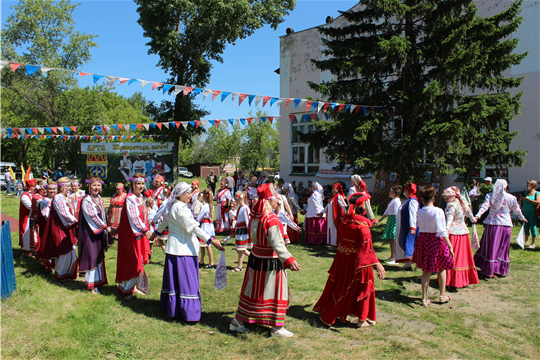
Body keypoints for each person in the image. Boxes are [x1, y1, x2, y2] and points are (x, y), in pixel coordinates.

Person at [229, 183, 301, 338]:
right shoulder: (271, 220)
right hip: (271, 262)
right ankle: (276, 328)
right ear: (269, 200)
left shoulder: (255, 216)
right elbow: (277, 244)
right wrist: (289, 260)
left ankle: (238, 321)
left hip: (256, 259)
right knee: (274, 292)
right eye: (276, 199)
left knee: (251, 290)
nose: (279, 202)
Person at [148, 182, 223, 322]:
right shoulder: (181, 209)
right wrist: (211, 240)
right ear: (180, 194)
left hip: (174, 249)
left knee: (175, 281)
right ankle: (189, 313)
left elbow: (164, 222)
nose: (190, 195)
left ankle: (173, 308)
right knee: (186, 282)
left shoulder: (173, 206)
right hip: (184, 250)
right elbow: (193, 227)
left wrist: (154, 234)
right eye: (187, 193)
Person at [313, 193, 386, 327]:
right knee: (364, 285)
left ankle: (333, 310)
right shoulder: (362, 226)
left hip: (342, 258)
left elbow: (342, 239)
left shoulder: (343, 221)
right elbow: (366, 249)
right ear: (363, 207)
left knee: (340, 284)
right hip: (357, 261)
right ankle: (361, 320)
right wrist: (377, 264)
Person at [474, 179, 527, 278]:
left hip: (493, 225)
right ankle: (495, 269)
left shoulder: (491, 196)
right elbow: (516, 209)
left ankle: (492, 268)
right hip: (504, 225)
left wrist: (478, 216)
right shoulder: (510, 197)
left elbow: (484, 207)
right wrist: (522, 217)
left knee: (492, 247)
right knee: (501, 247)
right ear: (505, 187)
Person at [412, 185, 454, 306]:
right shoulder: (438, 211)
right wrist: (450, 245)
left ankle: (425, 298)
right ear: (433, 198)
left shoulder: (419, 211)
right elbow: (441, 230)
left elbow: (418, 224)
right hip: (435, 240)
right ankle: (442, 295)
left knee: (426, 269)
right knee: (441, 267)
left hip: (423, 239)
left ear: (422, 199)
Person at [116, 173, 152, 298]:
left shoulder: (140, 198)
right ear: (133, 184)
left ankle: (128, 287)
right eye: (138, 184)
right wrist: (145, 229)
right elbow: (134, 217)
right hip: (131, 235)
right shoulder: (130, 198)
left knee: (138, 260)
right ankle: (126, 289)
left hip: (138, 234)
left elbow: (144, 215)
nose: (141, 186)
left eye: (142, 183)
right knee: (134, 261)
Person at [38, 177, 79, 281]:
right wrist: (76, 222)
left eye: (70, 186)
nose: (70, 188)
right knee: (64, 250)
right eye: (68, 186)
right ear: (61, 187)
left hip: (67, 227)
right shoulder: (58, 198)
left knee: (71, 251)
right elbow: (63, 213)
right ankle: (61, 274)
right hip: (60, 228)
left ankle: (68, 274)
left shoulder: (66, 197)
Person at [78, 177, 114, 294]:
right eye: (94, 186)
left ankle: (98, 281)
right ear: (88, 187)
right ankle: (91, 284)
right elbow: (92, 216)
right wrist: (106, 228)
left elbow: (102, 215)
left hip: (98, 232)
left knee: (98, 255)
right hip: (90, 233)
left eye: (98, 186)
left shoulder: (98, 198)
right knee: (91, 256)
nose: (97, 188)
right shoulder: (87, 200)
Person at [442, 186, 479, 289]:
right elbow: (469, 213)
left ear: (453, 196)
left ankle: (452, 280)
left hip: (454, 233)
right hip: (463, 232)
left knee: (454, 256)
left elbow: (450, 217)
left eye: (447, 198)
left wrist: (446, 228)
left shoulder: (451, 205)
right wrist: (473, 219)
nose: (445, 200)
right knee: (463, 257)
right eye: (445, 198)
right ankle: (464, 279)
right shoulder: (461, 202)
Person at [394, 183, 419, 270]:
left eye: (406, 190)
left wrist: (412, 227)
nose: (404, 191)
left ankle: (417, 262)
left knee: (409, 245)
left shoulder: (412, 201)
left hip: (409, 227)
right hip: (404, 225)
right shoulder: (408, 200)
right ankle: (408, 264)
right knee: (406, 244)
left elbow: (413, 214)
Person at [377, 185, 402, 263]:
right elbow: (387, 211)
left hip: (394, 220)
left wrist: (395, 224)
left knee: (393, 239)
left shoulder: (396, 201)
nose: (389, 193)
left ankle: (395, 258)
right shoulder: (393, 200)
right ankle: (392, 256)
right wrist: (380, 219)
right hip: (391, 220)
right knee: (391, 239)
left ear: (393, 193)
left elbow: (396, 213)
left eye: (390, 192)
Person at [319, 183, 347, 247]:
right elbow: (328, 206)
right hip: (330, 216)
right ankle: (331, 242)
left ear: (337, 189)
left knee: (334, 229)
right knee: (330, 228)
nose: (332, 190)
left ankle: (335, 243)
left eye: (334, 188)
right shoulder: (333, 196)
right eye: (332, 188)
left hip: (335, 216)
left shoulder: (339, 196)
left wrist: (347, 213)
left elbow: (344, 205)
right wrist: (322, 212)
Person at [231, 191, 251, 273]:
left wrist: (249, 232)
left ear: (242, 198)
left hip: (243, 230)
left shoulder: (245, 207)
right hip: (239, 229)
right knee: (238, 247)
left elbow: (248, 221)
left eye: (237, 199)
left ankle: (240, 266)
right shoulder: (239, 207)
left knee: (241, 248)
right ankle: (252, 257)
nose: (236, 201)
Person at [196, 189, 216, 269]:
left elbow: (199, 217)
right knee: (203, 245)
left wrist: (195, 220)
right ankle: (202, 260)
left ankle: (211, 262)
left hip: (205, 226)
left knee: (207, 245)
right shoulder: (211, 206)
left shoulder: (205, 206)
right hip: (209, 226)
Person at [519, 180, 539, 249]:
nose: (527, 186)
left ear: (533, 185)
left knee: (533, 226)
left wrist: (527, 199)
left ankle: (533, 243)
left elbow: (537, 202)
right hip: (525, 211)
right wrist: (521, 199)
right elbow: (520, 203)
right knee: (526, 226)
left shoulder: (537, 193)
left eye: (528, 185)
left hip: (532, 212)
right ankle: (526, 241)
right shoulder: (525, 193)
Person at [19, 178, 37, 255]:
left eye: (34, 186)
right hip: (27, 217)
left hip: (33, 216)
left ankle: (32, 247)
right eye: (32, 186)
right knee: (26, 232)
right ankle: (26, 249)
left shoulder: (34, 194)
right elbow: (30, 206)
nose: (34, 188)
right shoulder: (24, 195)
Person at [29, 181, 47, 253]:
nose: (45, 191)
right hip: (36, 219)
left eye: (45, 189)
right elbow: (41, 203)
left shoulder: (43, 197)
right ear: (39, 190)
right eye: (43, 189)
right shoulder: (36, 196)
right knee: (36, 234)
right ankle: (35, 250)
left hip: (42, 218)